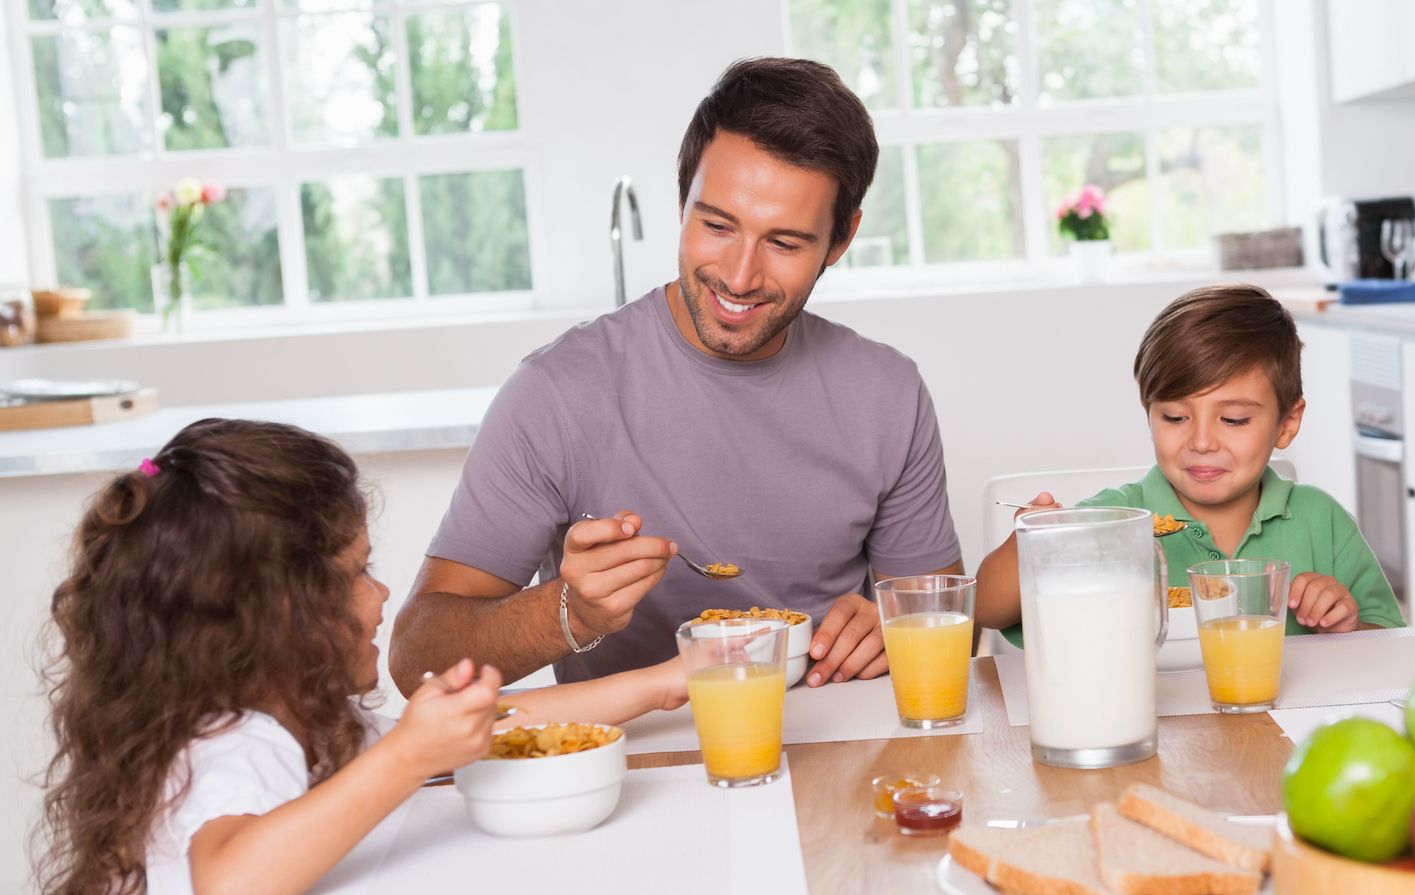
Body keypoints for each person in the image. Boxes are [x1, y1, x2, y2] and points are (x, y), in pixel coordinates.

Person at [388, 57, 964, 695]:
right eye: (716, 225)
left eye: (784, 243)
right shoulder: (555, 395)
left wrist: (894, 626)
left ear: (841, 239)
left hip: (843, 735)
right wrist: (568, 613)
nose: (739, 277)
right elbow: (417, 662)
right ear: (681, 200)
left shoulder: (888, 394)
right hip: (642, 747)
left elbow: (943, 619)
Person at [35, 420, 690, 895]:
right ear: (274, 612)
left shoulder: (312, 722)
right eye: (356, 574)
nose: (380, 596)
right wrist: (407, 756)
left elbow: (494, 723)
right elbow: (231, 881)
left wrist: (665, 681)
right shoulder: (231, 741)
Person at [975, 284, 1406, 638]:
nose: (1201, 442)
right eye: (1175, 418)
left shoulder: (1322, 522)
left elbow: (1388, 641)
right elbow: (986, 610)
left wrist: (1347, 627)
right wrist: (1033, 545)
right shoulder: (1112, 525)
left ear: (1286, 423)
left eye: (1233, 420)